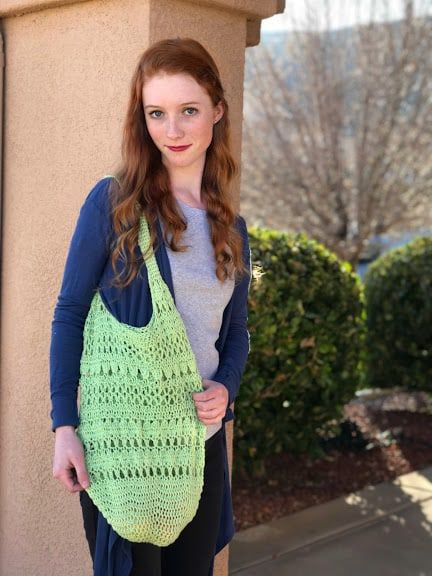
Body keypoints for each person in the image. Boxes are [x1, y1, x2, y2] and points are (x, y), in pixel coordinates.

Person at [50, 37, 251, 576]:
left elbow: (236, 332)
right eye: (156, 113)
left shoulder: (232, 229)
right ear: (142, 120)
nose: (173, 130)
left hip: (200, 447)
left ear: (217, 110)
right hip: (125, 446)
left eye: (188, 110)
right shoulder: (115, 204)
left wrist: (227, 384)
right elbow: (70, 313)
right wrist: (64, 427)